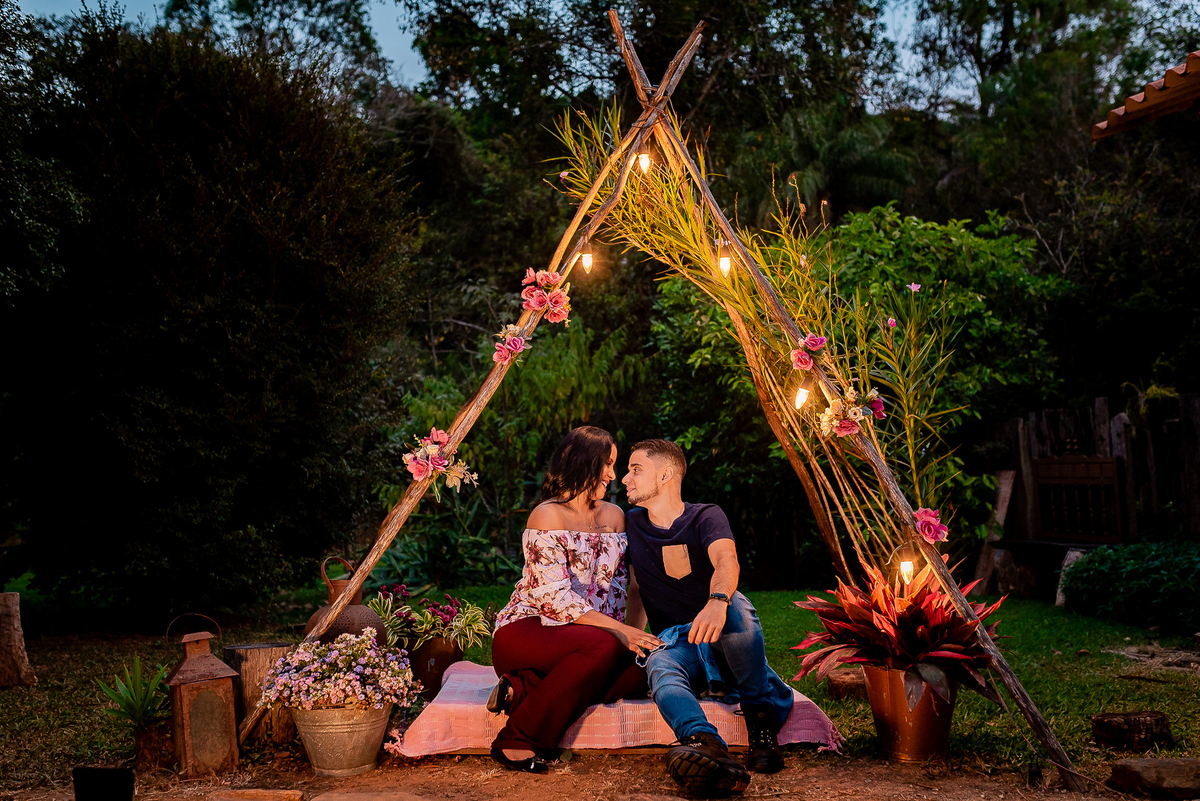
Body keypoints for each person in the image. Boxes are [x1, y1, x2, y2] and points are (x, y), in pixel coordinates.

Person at [621, 438, 794, 795]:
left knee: (738, 607)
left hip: (723, 640)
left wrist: (717, 601)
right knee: (660, 666)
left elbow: (726, 561)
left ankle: (761, 727)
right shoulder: (631, 524)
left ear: (666, 474)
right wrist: (633, 637)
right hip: (680, 643)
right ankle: (705, 743)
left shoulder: (704, 515)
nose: (625, 478)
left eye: (635, 469)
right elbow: (636, 588)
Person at [488, 426, 663, 772]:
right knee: (607, 648)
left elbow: (633, 587)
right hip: (528, 631)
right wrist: (619, 634)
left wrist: (635, 635)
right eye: (608, 464)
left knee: (642, 671)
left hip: (591, 639)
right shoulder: (547, 516)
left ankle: (522, 689)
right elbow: (555, 600)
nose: (614, 474)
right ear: (584, 461)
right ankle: (519, 739)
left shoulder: (615, 517)